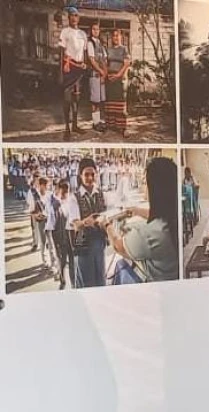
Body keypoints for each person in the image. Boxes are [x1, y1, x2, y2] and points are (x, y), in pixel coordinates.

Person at [105, 157, 179, 283]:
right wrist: (137, 210)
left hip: (155, 284)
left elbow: (118, 246)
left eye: (145, 183)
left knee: (121, 265)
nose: (143, 187)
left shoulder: (149, 233)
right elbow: (159, 214)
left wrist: (107, 224)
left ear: (154, 189)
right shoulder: (174, 216)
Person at [69, 158, 107, 288]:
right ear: (80, 175)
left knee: (100, 278)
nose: (90, 177)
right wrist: (86, 222)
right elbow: (75, 225)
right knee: (86, 282)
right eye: (86, 174)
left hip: (99, 242)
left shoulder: (101, 194)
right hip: (82, 243)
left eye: (92, 174)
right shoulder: (74, 197)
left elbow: (106, 214)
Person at [59, 6, 88, 140]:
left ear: (79, 18)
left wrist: (85, 63)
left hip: (80, 70)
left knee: (77, 98)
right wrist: (60, 71)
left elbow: (85, 52)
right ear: (69, 17)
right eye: (71, 15)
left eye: (76, 15)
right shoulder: (65, 32)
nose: (74, 18)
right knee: (67, 99)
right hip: (68, 68)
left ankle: (75, 125)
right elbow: (61, 53)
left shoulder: (83, 34)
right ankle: (67, 128)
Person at [105, 29, 131, 137]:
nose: (115, 38)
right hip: (110, 78)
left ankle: (123, 128)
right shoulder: (108, 49)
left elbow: (126, 64)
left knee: (121, 103)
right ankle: (111, 126)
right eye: (114, 36)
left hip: (120, 78)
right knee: (110, 103)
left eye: (117, 35)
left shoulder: (124, 49)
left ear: (121, 37)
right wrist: (107, 75)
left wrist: (118, 75)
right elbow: (106, 64)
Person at [86, 22, 108, 133]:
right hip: (94, 75)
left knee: (100, 100)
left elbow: (104, 60)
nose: (96, 31)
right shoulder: (90, 43)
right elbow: (92, 60)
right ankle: (95, 123)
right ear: (91, 31)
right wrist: (100, 71)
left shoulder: (100, 44)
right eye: (94, 29)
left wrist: (105, 73)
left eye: (97, 29)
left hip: (101, 76)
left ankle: (99, 121)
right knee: (94, 100)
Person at [27, 177, 52, 268]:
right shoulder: (34, 194)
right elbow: (31, 209)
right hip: (40, 220)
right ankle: (45, 261)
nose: (48, 187)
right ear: (41, 185)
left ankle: (53, 262)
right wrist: (35, 215)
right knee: (43, 241)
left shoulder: (49, 194)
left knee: (51, 241)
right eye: (46, 185)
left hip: (49, 219)